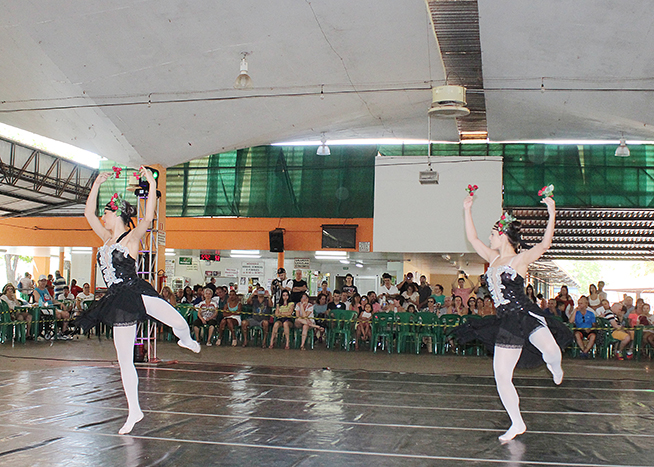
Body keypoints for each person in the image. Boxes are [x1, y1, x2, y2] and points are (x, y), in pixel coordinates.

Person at [76, 167, 200, 435]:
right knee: (124, 359)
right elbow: (87, 213)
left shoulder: (131, 238)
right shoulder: (105, 239)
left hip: (136, 292)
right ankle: (134, 410)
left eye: (105, 213)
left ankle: (187, 340)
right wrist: (96, 183)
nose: (102, 217)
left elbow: (149, 215)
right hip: (118, 301)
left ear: (117, 214)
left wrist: (152, 182)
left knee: (177, 321)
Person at [456, 194, 571, 442]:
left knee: (551, 352)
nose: (489, 237)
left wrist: (552, 213)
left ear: (503, 235)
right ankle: (517, 422)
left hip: (525, 315)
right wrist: (467, 209)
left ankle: (554, 365)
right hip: (506, 321)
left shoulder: (520, 260)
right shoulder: (493, 258)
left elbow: (544, 245)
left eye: (492, 234)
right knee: (501, 375)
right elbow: (472, 238)